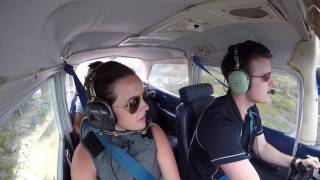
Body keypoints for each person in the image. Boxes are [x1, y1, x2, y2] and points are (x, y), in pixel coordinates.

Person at [188, 40, 320, 180]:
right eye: (266, 77)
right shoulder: (220, 123)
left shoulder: (251, 110)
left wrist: (296, 162)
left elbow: (262, 147)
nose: (272, 83)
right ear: (240, 80)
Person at [71, 61, 180, 180]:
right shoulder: (84, 155)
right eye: (133, 102)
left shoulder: (155, 133)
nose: (146, 106)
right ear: (105, 111)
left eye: (144, 96)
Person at [73, 61, 103, 137]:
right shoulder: (84, 98)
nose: (91, 81)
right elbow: (77, 126)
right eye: (88, 78)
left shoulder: (113, 93)